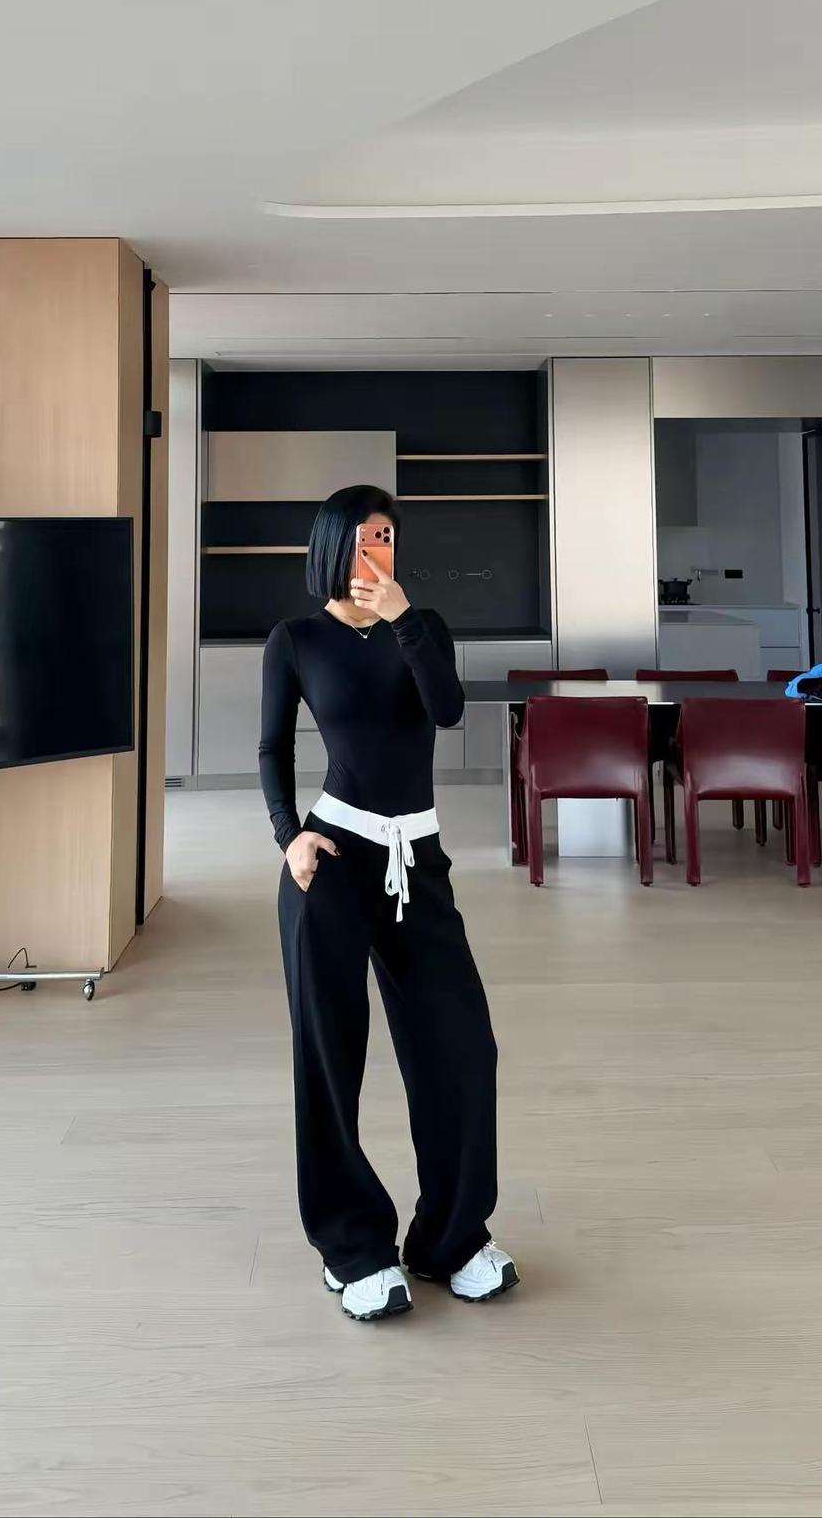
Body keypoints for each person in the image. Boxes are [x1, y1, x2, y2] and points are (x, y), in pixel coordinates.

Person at [259, 484, 517, 1321]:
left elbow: (448, 709)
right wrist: (289, 835)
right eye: (365, 538)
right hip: (331, 862)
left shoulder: (424, 625)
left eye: (388, 538)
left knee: (462, 1046)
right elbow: (270, 748)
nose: (378, 552)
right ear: (334, 546)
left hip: (420, 861)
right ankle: (353, 1248)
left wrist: (403, 617)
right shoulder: (296, 639)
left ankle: (451, 1238)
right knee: (331, 1057)